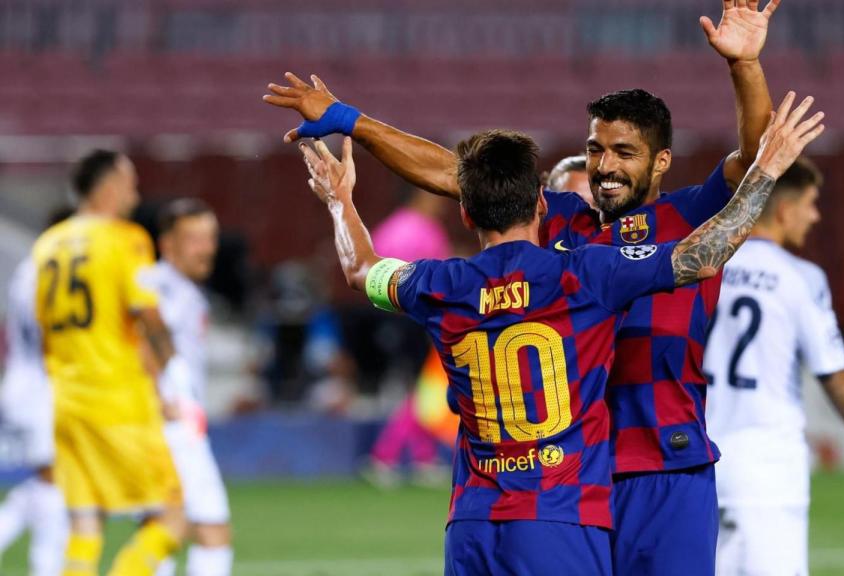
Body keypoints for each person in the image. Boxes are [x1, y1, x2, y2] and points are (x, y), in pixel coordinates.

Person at [264, 2, 782, 571]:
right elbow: (455, 174)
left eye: (624, 154)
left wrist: (745, 66)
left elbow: (755, 162)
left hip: (661, 461)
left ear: (661, 162)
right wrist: (349, 120)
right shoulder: (559, 219)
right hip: (571, 473)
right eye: (595, 149)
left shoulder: (685, 219)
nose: (605, 166)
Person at [704, 157, 844, 576]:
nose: (815, 215)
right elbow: (833, 373)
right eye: (810, 203)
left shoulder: (704, 269)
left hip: (700, 466)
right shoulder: (800, 277)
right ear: (784, 209)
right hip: (769, 469)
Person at [33, 150, 186, 575]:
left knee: (85, 523)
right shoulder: (126, 238)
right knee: (173, 516)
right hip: (119, 398)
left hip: (67, 401)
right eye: (131, 180)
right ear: (110, 185)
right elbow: (148, 318)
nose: (135, 190)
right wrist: (171, 381)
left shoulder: (47, 245)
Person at [146, 199, 233, 576]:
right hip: (170, 425)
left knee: (164, 527)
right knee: (211, 527)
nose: (207, 248)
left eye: (210, 237)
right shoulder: (158, 286)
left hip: (174, 423)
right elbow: (140, 342)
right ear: (167, 244)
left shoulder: (182, 288)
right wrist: (160, 401)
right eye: (194, 238)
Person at [0, 208, 73, 576]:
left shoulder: (28, 270)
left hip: (25, 382)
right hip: (39, 388)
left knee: (48, 480)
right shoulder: (50, 273)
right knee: (54, 482)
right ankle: (45, 567)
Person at [365, 189, 453, 486]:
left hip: (387, 318)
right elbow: (442, 281)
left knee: (418, 390)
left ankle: (421, 458)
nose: (440, 204)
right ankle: (383, 456)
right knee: (422, 391)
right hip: (418, 320)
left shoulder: (389, 227)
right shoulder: (426, 230)